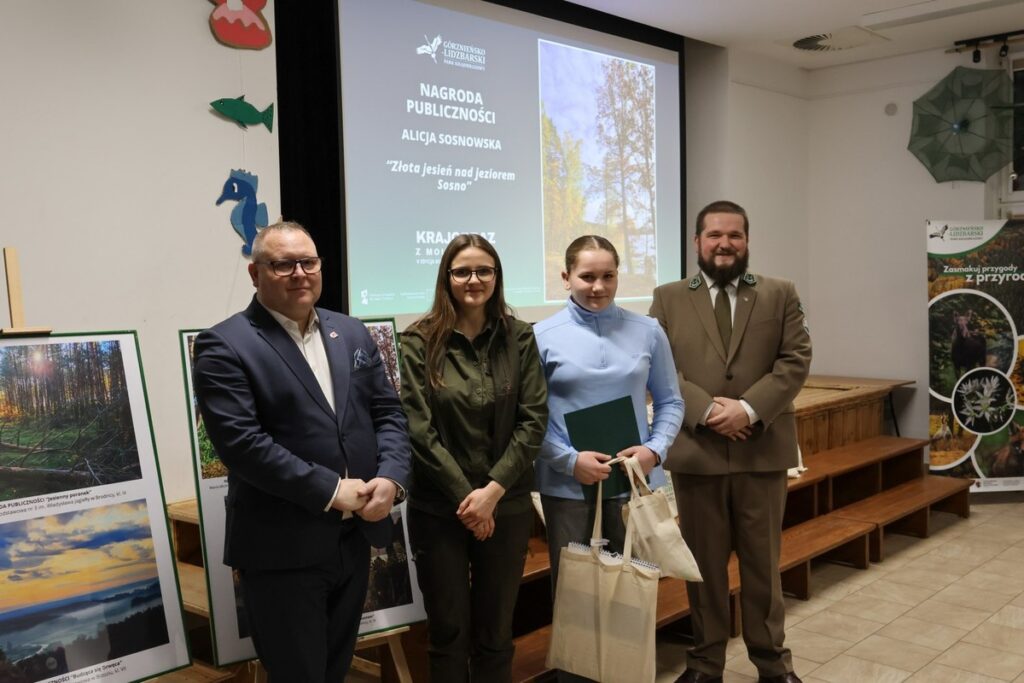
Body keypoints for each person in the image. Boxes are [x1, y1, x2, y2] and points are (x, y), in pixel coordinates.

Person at [193, 221, 410, 682]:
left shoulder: (350, 333)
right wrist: (331, 489)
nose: (299, 273)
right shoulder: (224, 344)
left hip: (353, 541)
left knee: (335, 671)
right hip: (281, 549)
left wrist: (391, 478)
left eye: (308, 262)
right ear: (255, 274)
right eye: (282, 264)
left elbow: (388, 414)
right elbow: (242, 446)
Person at [650, 201, 811, 683]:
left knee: (763, 567)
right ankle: (705, 664)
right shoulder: (668, 297)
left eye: (734, 236)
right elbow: (659, 368)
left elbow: (795, 360)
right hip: (696, 453)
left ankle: (772, 665)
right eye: (714, 235)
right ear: (697, 242)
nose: (724, 244)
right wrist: (707, 410)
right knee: (704, 571)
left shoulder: (780, 293)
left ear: (747, 241)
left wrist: (748, 409)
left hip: (761, 451)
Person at [534, 235, 684, 680]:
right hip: (568, 487)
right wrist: (567, 459)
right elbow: (529, 417)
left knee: (632, 594)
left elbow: (672, 401)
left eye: (607, 276)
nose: (597, 286)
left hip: (633, 484)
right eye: (586, 276)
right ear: (565, 278)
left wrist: (654, 450)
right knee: (576, 596)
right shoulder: (539, 337)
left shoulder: (648, 330)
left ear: (618, 276)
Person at [400, 234, 548, 682]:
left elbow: (534, 419)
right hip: (439, 508)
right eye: (462, 271)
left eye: (484, 270)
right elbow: (418, 432)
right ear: (446, 277)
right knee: (447, 632)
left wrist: (493, 493)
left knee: (496, 632)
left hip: (508, 503)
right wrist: (471, 500)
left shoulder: (519, 337)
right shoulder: (417, 341)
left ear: (496, 277)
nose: (474, 279)